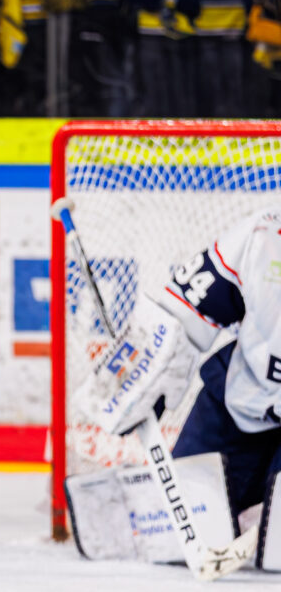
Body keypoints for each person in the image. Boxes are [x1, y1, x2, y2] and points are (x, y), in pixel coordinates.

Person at [84, 205, 281, 571]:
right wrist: (144, 376)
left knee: (276, 549)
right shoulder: (262, 235)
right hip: (242, 402)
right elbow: (183, 311)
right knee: (171, 529)